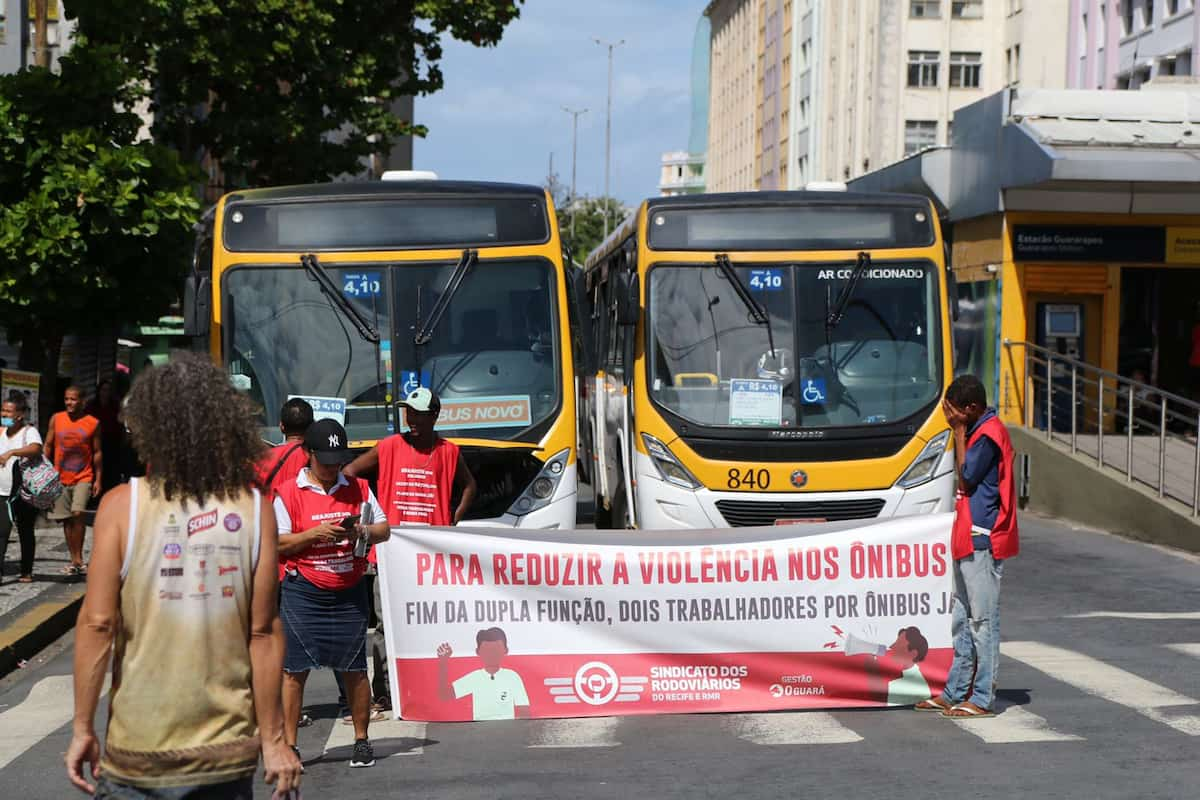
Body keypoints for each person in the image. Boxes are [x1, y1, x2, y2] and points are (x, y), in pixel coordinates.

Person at [65, 352, 301, 798]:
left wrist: (82, 728)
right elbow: (264, 633)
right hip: (226, 753)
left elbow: (98, 624)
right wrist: (274, 741)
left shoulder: (121, 507)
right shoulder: (255, 511)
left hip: (139, 748)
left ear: (151, 426)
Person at [275, 418, 390, 769]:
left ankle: (361, 740)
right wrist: (313, 535)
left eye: (337, 460)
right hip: (303, 592)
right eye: (325, 460)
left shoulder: (358, 487)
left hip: (348, 591)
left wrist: (362, 533)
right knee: (295, 671)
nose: (332, 468)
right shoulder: (287, 492)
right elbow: (278, 543)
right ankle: (291, 746)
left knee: (354, 669)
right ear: (308, 454)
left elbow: (384, 529)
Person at [915, 374, 1018, 718]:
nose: (950, 416)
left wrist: (959, 433)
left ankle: (983, 697)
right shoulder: (978, 428)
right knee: (962, 617)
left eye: (954, 411)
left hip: (982, 537)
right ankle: (955, 690)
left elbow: (967, 477)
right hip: (966, 535)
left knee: (982, 621)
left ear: (971, 408)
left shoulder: (987, 434)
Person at [344, 387, 476, 526]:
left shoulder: (449, 452)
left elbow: (470, 486)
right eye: (409, 413)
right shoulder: (389, 446)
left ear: (434, 416)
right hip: (392, 539)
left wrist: (454, 518)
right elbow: (349, 472)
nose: (411, 419)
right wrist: (368, 512)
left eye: (418, 413)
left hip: (434, 540)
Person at [44, 386, 102, 577]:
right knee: (67, 520)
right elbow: (48, 445)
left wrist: (98, 479)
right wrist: (44, 470)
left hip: (83, 476)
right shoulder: (57, 419)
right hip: (59, 477)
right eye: (67, 399)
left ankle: (79, 560)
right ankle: (73, 559)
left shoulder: (92, 423)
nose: (69, 403)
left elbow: (97, 452)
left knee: (78, 514)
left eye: (73, 399)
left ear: (82, 401)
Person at [437, 628, 531, 720]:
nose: (492, 654)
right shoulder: (475, 678)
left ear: (506, 650)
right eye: (487, 649)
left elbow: (524, 711)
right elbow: (444, 695)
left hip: (506, 730)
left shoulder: (512, 677)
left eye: (496, 649)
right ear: (478, 652)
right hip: (480, 730)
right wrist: (443, 661)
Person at [0, 393, 43, 584]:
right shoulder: (1, 431)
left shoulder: (29, 431)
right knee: (1, 531)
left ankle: (26, 570)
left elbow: (36, 449)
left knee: (25, 530)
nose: (4, 414)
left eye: (8, 411)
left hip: (23, 492)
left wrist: (12, 452)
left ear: (19, 415)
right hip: (2, 491)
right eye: (3, 410)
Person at [255, 398, 314, 497]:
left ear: (282, 427)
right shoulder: (318, 459)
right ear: (311, 427)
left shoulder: (262, 459)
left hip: (271, 511)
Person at [85, 378, 124, 494]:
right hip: (95, 441)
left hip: (112, 442)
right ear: (99, 391)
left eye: (108, 390)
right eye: (103, 390)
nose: (105, 392)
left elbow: (120, 423)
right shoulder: (92, 405)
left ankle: (109, 493)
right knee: (95, 467)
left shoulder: (115, 405)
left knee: (111, 469)